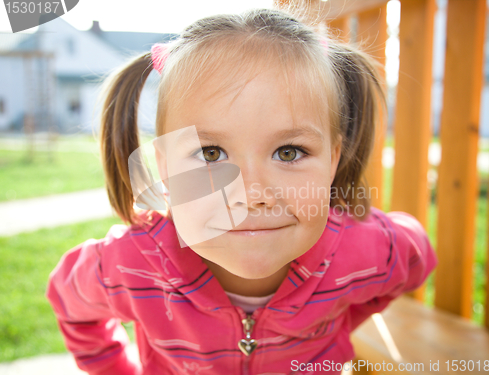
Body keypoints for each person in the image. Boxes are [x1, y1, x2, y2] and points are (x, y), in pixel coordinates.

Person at [46, 6, 438, 375]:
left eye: (289, 152)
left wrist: (340, 317)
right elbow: (69, 303)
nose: (252, 193)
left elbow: (417, 253)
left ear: (334, 159)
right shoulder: (129, 264)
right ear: (165, 167)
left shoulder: (365, 250)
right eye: (211, 153)